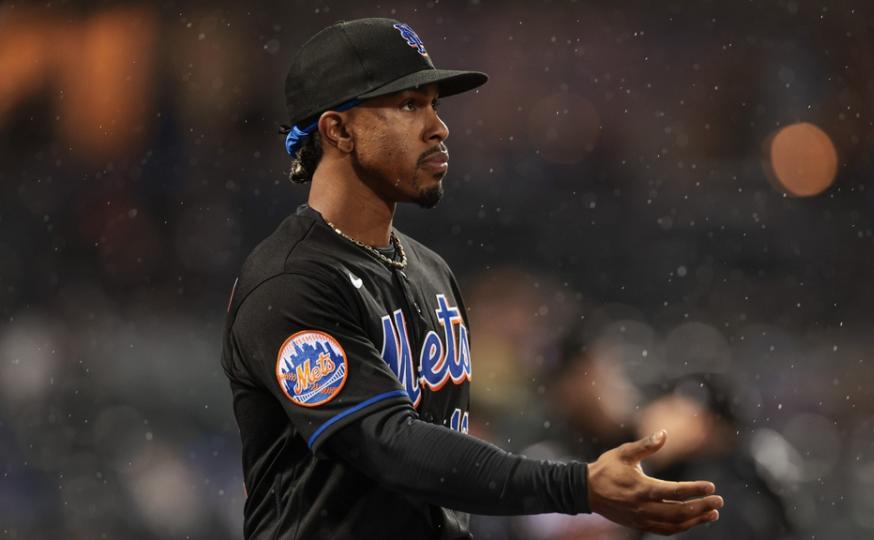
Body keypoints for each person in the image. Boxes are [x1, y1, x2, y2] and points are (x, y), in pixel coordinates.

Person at [220, 17, 724, 539]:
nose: (438, 127)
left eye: (435, 104)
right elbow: (389, 444)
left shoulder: (431, 272)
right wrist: (577, 486)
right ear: (338, 130)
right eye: (409, 105)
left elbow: (443, 474)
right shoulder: (289, 282)